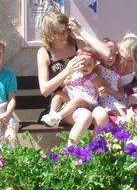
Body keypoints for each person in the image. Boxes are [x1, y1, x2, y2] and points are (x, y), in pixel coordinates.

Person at [37, 10, 111, 143]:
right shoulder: (44, 52)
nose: (65, 35)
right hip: (65, 104)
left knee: (101, 116)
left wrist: (81, 31)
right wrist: (66, 71)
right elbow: (44, 90)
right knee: (85, 116)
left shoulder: (77, 44)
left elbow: (106, 53)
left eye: (66, 30)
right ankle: (71, 155)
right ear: (49, 33)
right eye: (59, 33)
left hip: (89, 100)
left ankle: (97, 154)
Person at [41, 47, 103, 127]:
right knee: (59, 94)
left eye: (89, 64)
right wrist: (66, 82)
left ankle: (58, 116)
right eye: (82, 63)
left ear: (94, 65)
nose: (85, 66)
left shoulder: (94, 77)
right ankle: (52, 113)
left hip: (86, 102)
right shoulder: (74, 73)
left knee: (77, 101)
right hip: (71, 97)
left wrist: (101, 91)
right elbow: (64, 84)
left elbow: (100, 89)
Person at [95, 38, 126, 117]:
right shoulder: (99, 68)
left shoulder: (115, 69)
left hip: (116, 97)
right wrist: (115, 93)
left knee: (126, 111)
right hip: (106, 98)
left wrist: (121, 94)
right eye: (108, 55)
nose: (111, 58)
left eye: (113, 55)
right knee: (121, 115)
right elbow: (100, 84)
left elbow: (119, 85)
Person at [117, 33, 137, 106]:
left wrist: (136, 97)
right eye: (123, 58)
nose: (125, 62)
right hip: (112, 100)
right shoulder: (113, 64)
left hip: (128, 102)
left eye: (130, 60)